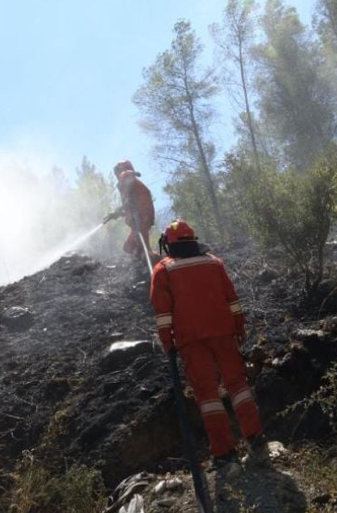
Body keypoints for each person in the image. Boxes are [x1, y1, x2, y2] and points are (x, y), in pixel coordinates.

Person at [150, 219, 264, 479]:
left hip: (192, 341)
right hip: (224, 334)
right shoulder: (214, 262)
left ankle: (225, 453)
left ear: (169, 244)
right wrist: (238, 327)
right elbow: (232, 298)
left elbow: (163, 313)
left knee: (208, 396)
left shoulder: (163, 270)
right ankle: (256, 436)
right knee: (238, 386)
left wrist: (168, 344)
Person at [103, 160, 156, 262]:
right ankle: (146, 263)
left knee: (142, 250)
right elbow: (130, 206)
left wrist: (118, 210)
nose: (117, 176)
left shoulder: (126, 176)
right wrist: (117, 214)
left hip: (141, 219)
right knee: (129, 247)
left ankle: (151, 266)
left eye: (117, 172)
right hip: (140, 221)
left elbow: (128, 176)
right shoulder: (133, 187)